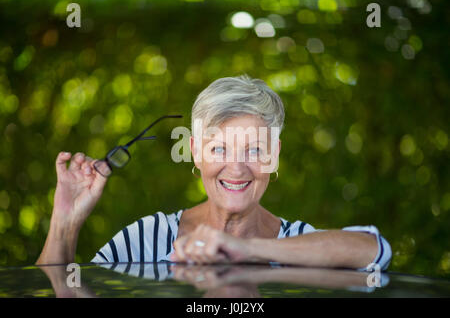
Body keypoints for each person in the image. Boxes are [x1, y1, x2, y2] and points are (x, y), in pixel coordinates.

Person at [36, 75, 391, 271]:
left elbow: (374, 251)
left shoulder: (297, 243)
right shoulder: (148, 237)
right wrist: (64, 225)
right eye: (219, 148)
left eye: (254, 150)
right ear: (195, 152)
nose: (236, 168)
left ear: (274, 156)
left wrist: (245, 248)